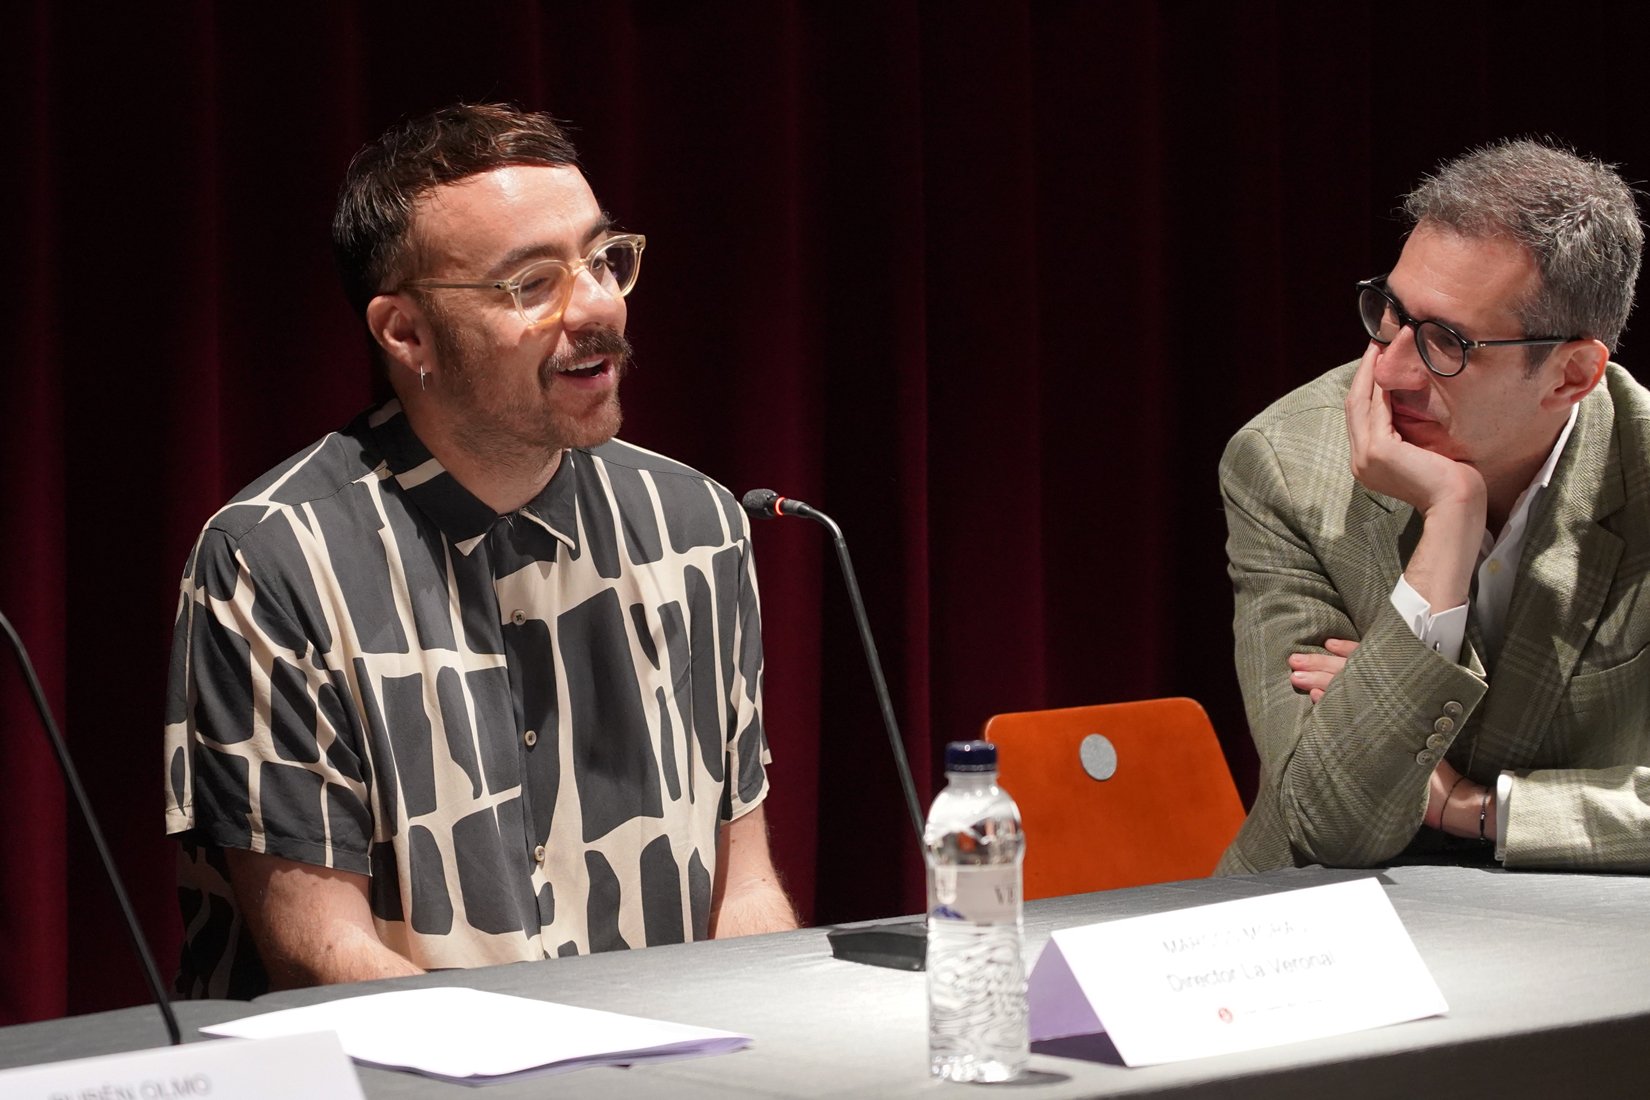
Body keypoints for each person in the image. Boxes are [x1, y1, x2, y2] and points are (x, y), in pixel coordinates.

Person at [163, 103, 797, 998]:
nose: (599, 306)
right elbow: (317, 950)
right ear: (406, 333)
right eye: (533, 284)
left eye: (603, 259)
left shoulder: (697, 523)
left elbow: (747, 887)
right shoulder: (274, 559)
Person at [1218, 138, 1650, 875]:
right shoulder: (1286, 464)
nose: (1388, 369)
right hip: (1326, 929)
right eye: (1390, 314)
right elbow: (1330, 823)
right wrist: (1450, 519)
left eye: (1445, 343)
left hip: (1576, 931)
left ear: (1572, 375)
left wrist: (1478, 808)